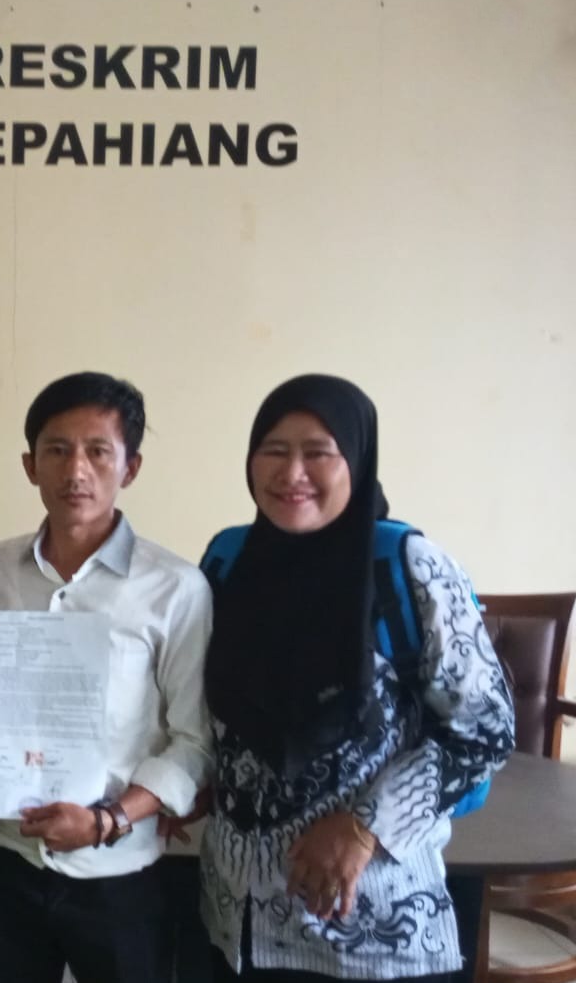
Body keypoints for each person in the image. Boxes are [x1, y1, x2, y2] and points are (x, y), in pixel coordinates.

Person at [198, 374, 515, 983]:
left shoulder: (408, 565)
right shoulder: (227, 559)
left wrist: (363, 827)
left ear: (358, 459)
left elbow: (485, 732)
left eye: (318, 453)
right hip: (237, 916)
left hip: (373, 923)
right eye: (273, 450)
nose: (292, 472)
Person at [0, 371, 214, 983]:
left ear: (130, 467)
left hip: (119, 873)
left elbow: (193, 742)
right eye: (56, 450)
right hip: (4, 861)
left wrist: (109, 820)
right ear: (30, 465)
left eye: (98, 451)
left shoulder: (176, 588)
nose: (75, 470)